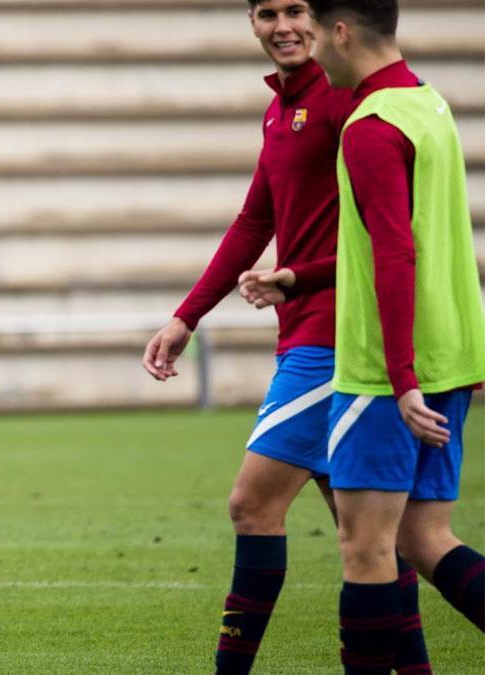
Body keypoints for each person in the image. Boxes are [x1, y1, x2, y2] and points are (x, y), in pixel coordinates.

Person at [141, 1, 432, 672]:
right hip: (308, 334)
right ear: (251, 22)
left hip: (337, 340)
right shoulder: (282, 109)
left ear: (328, 19)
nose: (282, 25)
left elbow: (390, 236)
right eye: (266, 12)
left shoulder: (346, 103)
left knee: (252, 502)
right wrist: (187, 316)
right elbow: (255, 220)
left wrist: (299, 277)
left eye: (296, 9)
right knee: (375, 540)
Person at [247, 0, 484, 669]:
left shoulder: (370, 127)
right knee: (423, 535)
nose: (311, 50)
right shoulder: (427, 105)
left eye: (317, 32)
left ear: (342, 31)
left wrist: (401, 379)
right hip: (453, 353)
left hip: (386, 370)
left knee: (366, 547)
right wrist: (299, 277)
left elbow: (394, 254)